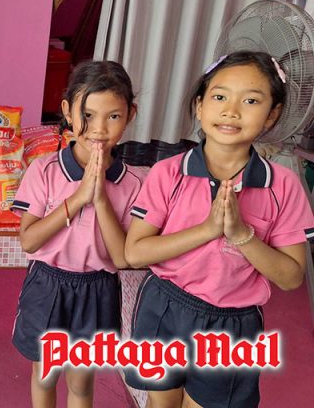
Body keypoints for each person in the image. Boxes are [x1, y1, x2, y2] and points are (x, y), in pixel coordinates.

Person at [123, 51, 314, 408]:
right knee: (160, 402)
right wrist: (208, 229)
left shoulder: (284, 186)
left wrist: (242, 235)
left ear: (272, 115)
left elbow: (291, 278)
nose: (231, 111)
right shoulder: (168, 173)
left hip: (232, 324)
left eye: (251, 101)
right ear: (199, 106)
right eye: (220, 96)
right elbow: (134, 253)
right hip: (165, 306)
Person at [10, 60, 143, 408]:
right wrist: (78, 198)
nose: (98, 129)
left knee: (81, 384)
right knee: (45, 375)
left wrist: (99, 199)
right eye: (88, 115)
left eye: (113, 116)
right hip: (47, 284)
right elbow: (29, 240)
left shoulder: (132, 183)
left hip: (97, 290)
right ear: (68, 111)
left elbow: (122, 258)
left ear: (130, 115)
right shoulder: (44, 170)